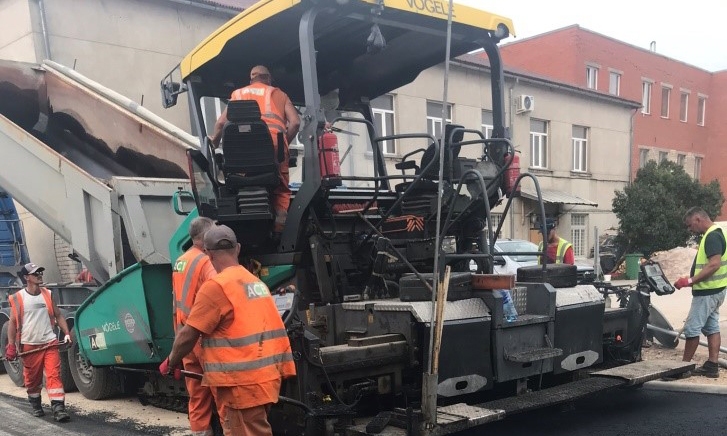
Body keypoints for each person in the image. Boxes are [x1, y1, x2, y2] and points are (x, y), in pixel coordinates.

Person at [160, 225, 296, 436]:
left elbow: (189, 334)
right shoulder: (256, 283)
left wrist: (171, 361)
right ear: (238, 249)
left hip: (240, 383)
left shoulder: (217, 286)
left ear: (207, 253)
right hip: (265, 378)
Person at [210, 65, 301, 235]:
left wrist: (214, 142)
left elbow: (221, 123)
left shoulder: (237, 94)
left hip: (239, 152)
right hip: (274, 148)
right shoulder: (278, 94)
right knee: (281, 187)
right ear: (269, 78)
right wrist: (284, 143)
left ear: (251, 79)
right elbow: (295, 122)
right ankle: (280, 224)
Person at [4, 263, 71, 422]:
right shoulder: (18, 298)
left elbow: (59, 315)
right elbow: (13, 323)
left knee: (54, 375)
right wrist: (11, 346)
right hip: (29, 345)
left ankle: (58, 408)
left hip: (49, 342)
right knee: (32, 380)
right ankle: (36, 404)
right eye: (35, 273)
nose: (40, 274)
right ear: (26, 277)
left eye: (40, 272)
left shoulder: (47, 294)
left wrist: (67, 333)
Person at [173, 217, 218, 436]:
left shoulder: (181, 261)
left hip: (186, 335)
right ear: (205, 235)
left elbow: (176, 302)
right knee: (221, 392)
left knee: (197, 395)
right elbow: (219, 289)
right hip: (203, 336)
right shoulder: (206, 262)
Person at [672, 207, 727, 378]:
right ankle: (712, 365)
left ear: (698, 219)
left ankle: (684, 368)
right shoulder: (718, 232)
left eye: (690, 226)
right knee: (711, 327)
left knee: (692, 329)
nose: (690, 230)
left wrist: (689, 281)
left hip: (707, 293)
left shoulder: (712, 236)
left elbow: (714, 264)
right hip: (716, 290)